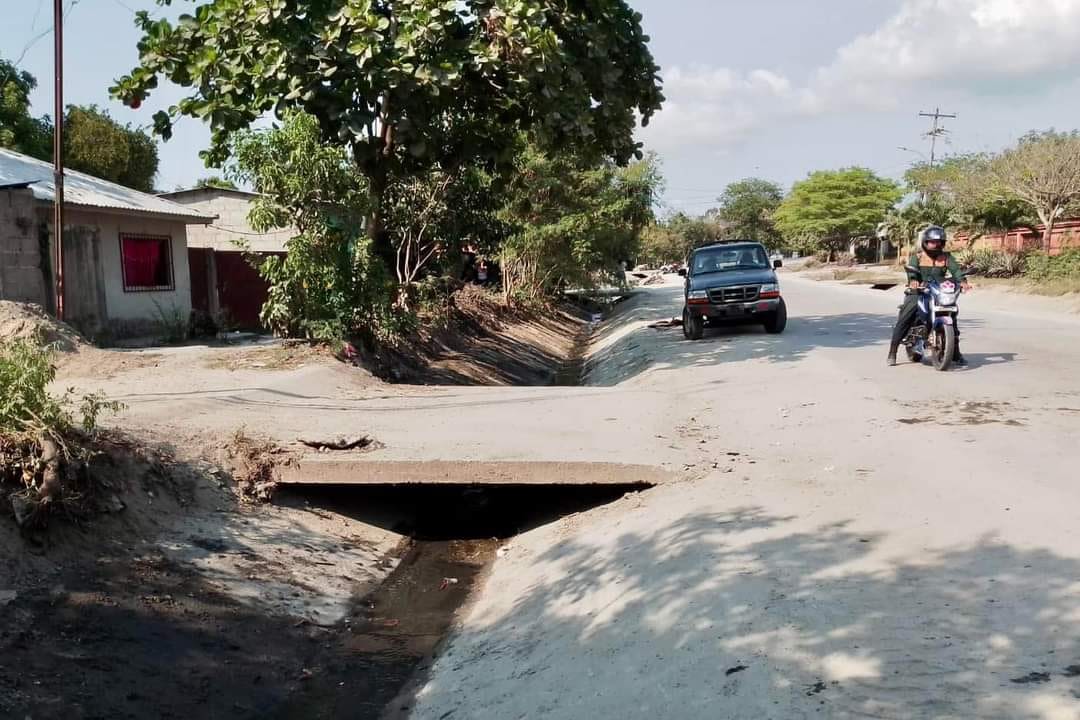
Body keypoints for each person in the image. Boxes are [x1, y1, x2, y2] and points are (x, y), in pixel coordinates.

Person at [887, 225, 972, 367]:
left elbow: (956, 271)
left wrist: (962, 282)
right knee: (907, 314)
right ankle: (892, 351)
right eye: (932, 242)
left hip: (937, 291)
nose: (935, 245)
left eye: (938, 242)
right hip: (919, 291)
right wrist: (913, 281)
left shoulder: (946, 257)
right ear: (925, 242)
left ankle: (955, 352)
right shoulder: (917, 257)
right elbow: (912, 272)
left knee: (952, 312)